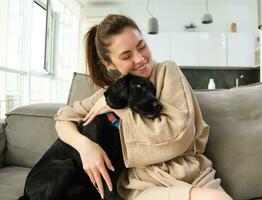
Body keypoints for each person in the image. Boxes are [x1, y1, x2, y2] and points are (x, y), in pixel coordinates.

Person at [54, 14, 232, 200]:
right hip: (145, 185)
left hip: (192, 175)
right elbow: (63, 117)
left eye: (141, 46)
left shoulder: (167, 71)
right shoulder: (110, 94)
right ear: (109, 63)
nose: (139, 58)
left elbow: (179, 135)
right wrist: (86, 148)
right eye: (126, 55)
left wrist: (118, 108)